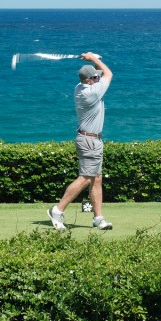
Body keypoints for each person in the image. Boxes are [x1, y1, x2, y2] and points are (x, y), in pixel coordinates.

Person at [47, 52, 114, 231]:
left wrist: (93, 61)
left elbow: (100, 74)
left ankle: (98, 218)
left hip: (90, 139)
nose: (98, 78)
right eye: (95, 77)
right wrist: (93, 58)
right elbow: (108, 73)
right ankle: (57, 210)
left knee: (96, 179)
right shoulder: (92, 93)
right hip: (90, 141)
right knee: (86, 178)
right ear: (90, 80)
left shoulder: (80, 87)